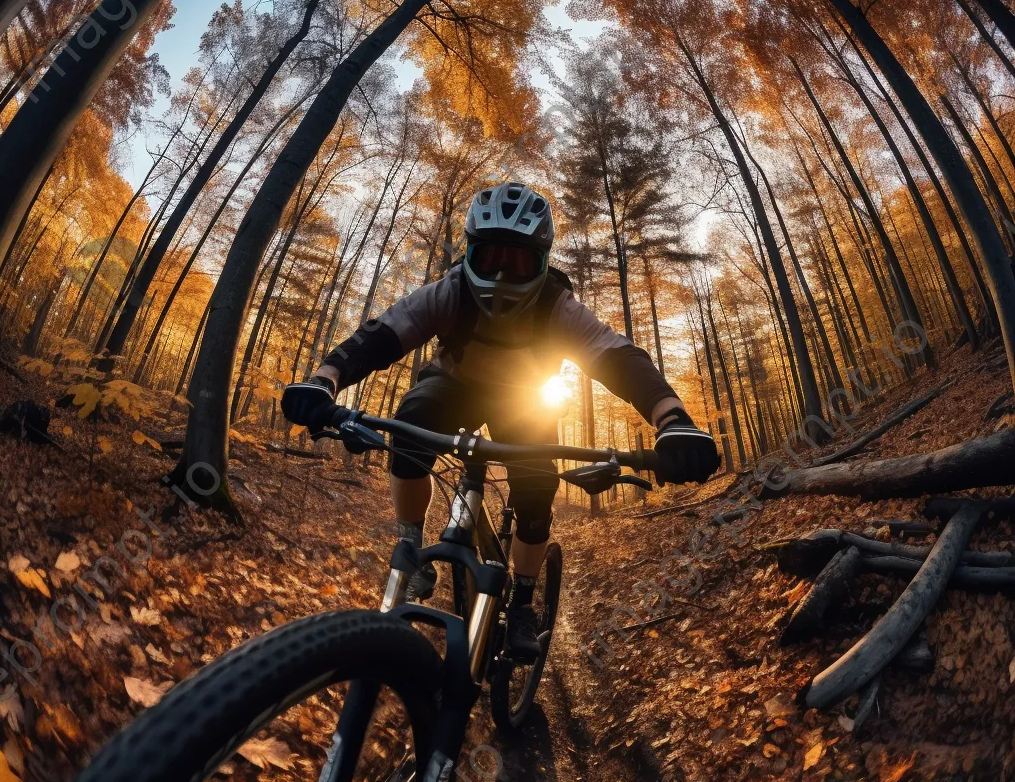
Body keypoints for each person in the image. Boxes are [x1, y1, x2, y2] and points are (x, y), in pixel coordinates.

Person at [282, 182, 719, 660]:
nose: (502, 273)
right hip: (454, 387)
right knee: (411, 423)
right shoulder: (449, 290)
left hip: (524, 400)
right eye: (490, 257)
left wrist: (673, 420)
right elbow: (383, 334)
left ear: (543, 260)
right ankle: (411, 545)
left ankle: (524, 603)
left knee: (536, 495)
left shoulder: (557, 305)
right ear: (470, 251)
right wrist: (324, 381)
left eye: (518, 262)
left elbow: (617, 358)